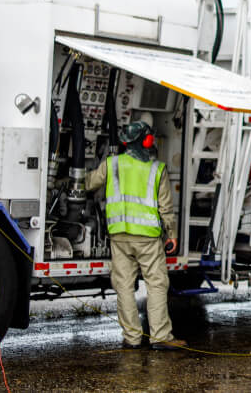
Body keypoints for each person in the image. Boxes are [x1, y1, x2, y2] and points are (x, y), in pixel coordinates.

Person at [86, 114, 187, 350]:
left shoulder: (112, 164)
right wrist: (171, 234)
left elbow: (89, 183)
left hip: (119, 235)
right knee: (157, 285)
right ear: (147, 142)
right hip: (148, 239)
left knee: (123, 286)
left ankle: (131, 338)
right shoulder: (157, 169)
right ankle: (161, 337)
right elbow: (165, 207)